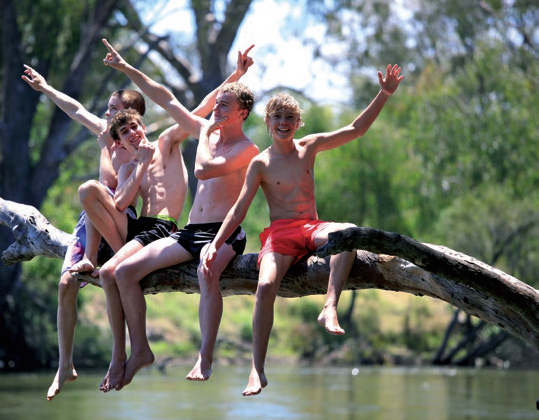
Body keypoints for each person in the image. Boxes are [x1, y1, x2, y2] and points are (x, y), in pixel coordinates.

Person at [201, 64, 404, 396]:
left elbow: (355, 128)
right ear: (267, 123)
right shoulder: (260, 163)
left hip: (312, 226)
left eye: (290, 118)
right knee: (265, 285)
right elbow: (239, 208)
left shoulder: (309, 146)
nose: (283, 123)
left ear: (298, 124)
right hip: (281, 234)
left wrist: (383, 94)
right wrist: (216, 243)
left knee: (348, 233)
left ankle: (330, 306)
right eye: (277, 117)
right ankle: (257, 369)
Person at [94, 39, 257, 391]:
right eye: (217, 103)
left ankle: (205, 356)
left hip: (224, 231)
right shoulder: (204, 130)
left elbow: (206, 172)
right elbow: (165, 97)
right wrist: (126, 69)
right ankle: (140, 350)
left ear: (242, 112)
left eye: (224, 105)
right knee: (122, 272)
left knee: (206, 272)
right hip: (190, 232)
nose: (215, 108)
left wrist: (204, 140)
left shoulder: (247, 148)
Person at [22, 66, 145, 401]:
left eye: (113, 109)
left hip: (121, 223)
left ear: (130, 115)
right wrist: (46, 88)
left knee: (93, 193)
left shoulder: (139, 147)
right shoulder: (105, 134)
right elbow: (76, 109)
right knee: (65, 284)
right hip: (89, 218)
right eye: (106, 108)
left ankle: (125, 352)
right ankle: (65, 366)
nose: (106, 113)